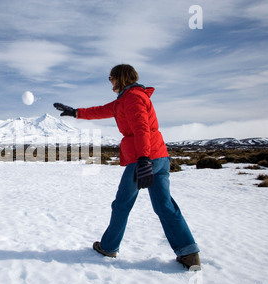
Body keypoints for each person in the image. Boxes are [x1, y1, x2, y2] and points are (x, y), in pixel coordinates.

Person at [53, 64, 200, 270]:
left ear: (120, 78)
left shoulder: (133, 98)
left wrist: (143, 159)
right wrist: (76, 112)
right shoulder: (126, 99)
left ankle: (109, 246)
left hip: (144, 158)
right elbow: (101, 110)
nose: (110, 81)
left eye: (111, 77)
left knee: (122, 204)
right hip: (158, 156)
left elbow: (142, 129)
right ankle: (189, 253)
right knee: (165, 206)